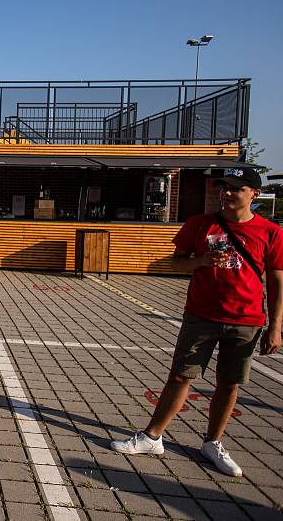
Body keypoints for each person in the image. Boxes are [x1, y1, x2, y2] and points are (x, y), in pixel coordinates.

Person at [111, 168, 283, 478]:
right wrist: (200, 262)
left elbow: (276, 279)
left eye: (236, 188)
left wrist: (275, 326)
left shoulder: (270, 232)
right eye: (225, 187)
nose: (227, 193)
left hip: (246, 319)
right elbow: (175, 262)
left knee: (229, 384)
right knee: (180, 377)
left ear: (254, 194)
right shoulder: (200, 224)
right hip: (201, 315)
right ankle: (152, 437)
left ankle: (213, 443)